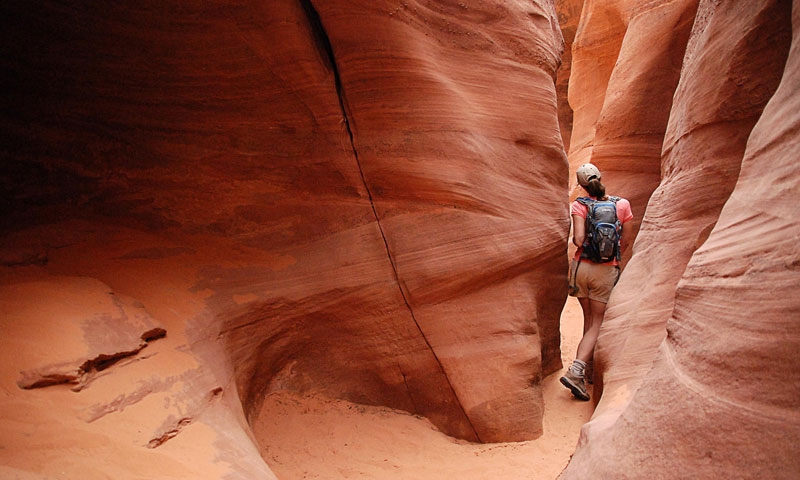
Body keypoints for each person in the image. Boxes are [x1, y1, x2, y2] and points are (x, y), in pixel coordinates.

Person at [561, 163, 633, 401]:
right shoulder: (622, 205)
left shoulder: (579, 205)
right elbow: (626, 240)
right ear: (600, 178)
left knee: (589, 320)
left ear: (581, 185)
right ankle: (577, 370)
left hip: (581, 268)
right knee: (598, 322)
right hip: (605, 270)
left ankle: (586, 371)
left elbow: (578, 239)